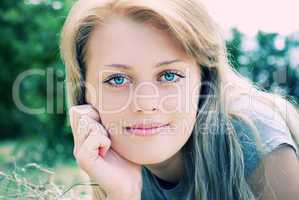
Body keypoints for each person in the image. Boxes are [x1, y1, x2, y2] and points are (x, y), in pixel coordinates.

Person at [60, 0, 299, 199]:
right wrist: (124, 195)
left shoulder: (254, 137)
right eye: (118, 80)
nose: (146, 104)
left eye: (168, 75)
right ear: (85, 93)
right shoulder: (108, 159)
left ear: (205, 79)